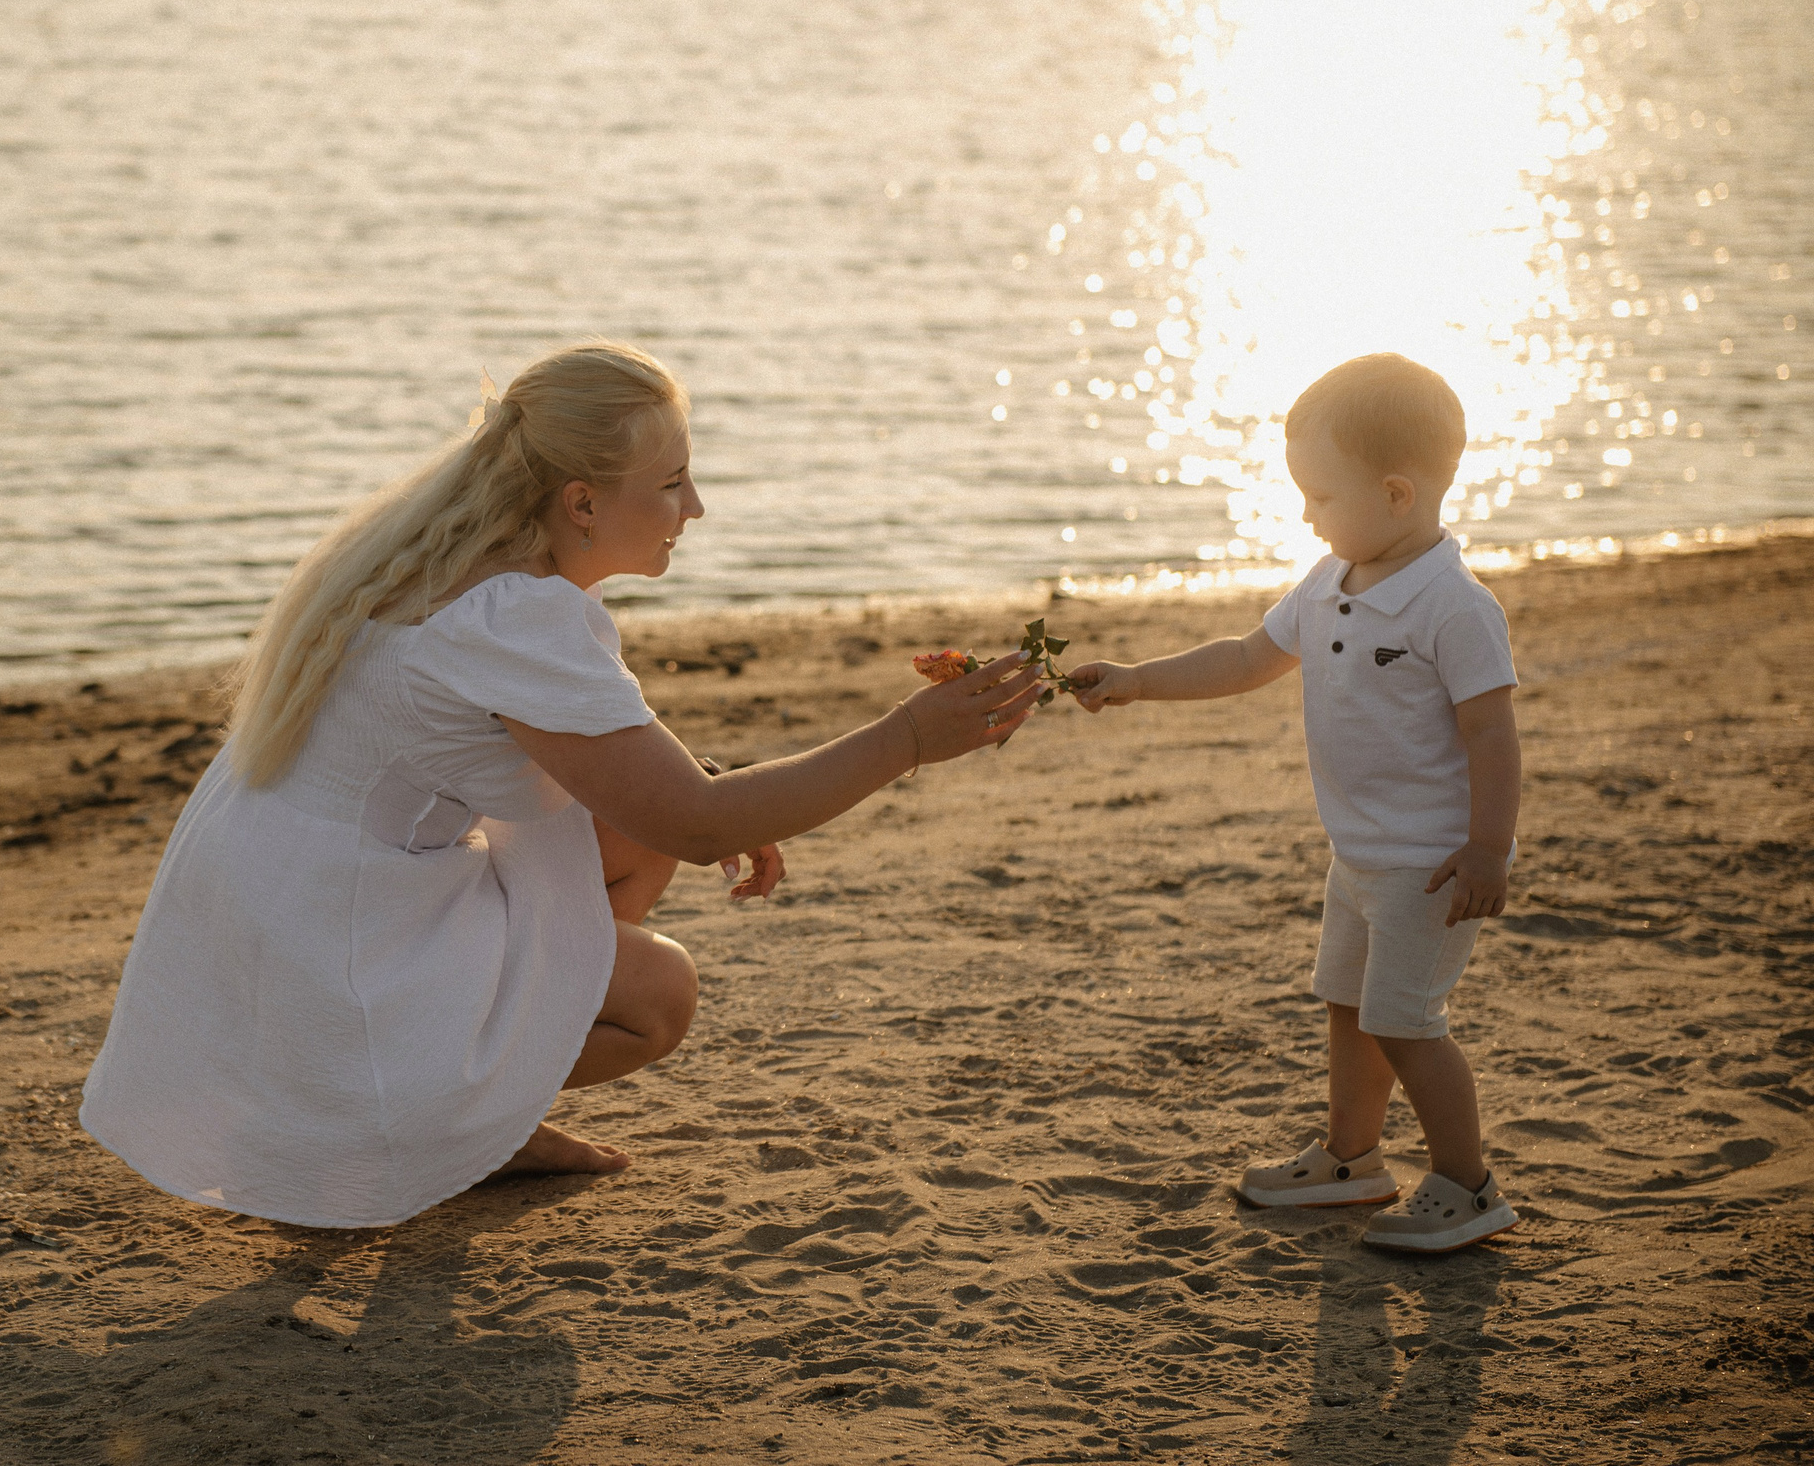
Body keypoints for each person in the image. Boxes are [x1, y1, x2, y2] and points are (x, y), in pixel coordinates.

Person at [79, 341, 1042, 1228]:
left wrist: (703, 801)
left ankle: (475, 1117)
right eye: (672, 484)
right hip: (328, 960)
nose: (696, 508)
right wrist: (909, 737)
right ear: (581, 504)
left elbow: (653, 798)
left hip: (272, 915)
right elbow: (701, 821)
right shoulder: (516, 614)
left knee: (645, 830)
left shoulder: (426, 553)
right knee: (659, 994)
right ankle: (441, 1121)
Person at [1067, 353, 1523, 1254]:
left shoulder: (1455, 608)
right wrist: (1132, 681)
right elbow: (1242, 658)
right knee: (1349, 1006)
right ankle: (1352, 1158)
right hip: (1356, 856)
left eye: (1319, 496)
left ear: (1397, 493)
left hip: (1427, 864)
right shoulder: (1330, 580)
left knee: (1407, 1022)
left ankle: (1468, 1185)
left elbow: (1492, 736)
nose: (1306, 514)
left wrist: (1488, 850)